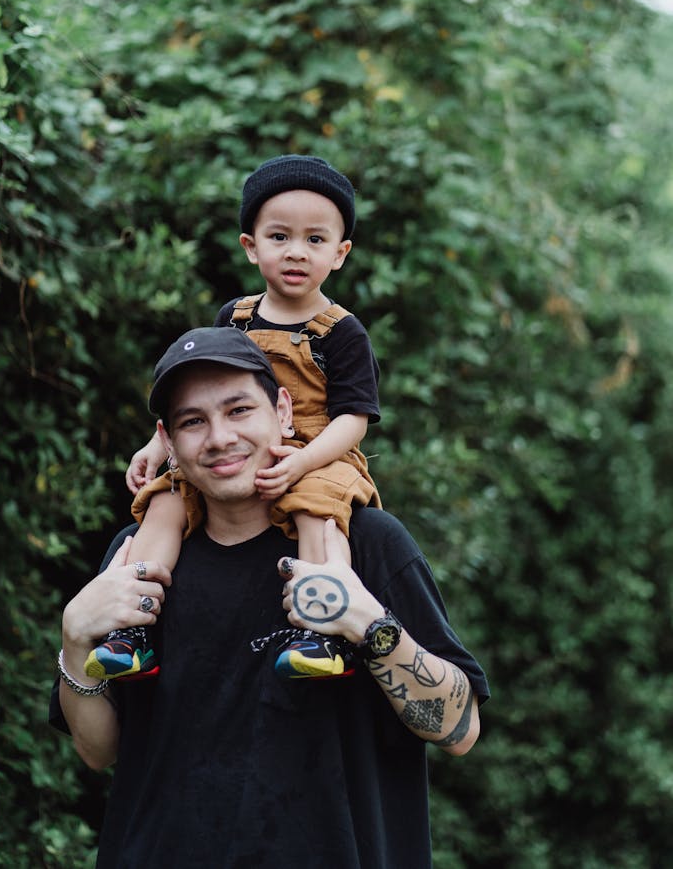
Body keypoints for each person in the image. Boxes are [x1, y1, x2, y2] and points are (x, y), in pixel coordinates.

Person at [50, 327, 489, 869]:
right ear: (168, 439)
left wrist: (371, 625)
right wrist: (75, 642)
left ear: (283, 411)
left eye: (239, 410)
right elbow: (99, 751)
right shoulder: (138, 560)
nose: (218, 438)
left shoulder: (368, 543)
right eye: (193, 421)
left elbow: (460, 728)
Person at [85, 155, 383, 682]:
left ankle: (320, 630)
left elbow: (353, 419)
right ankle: (133, 630)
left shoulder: (341, 332)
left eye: (315, 240)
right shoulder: (236, 318)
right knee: (165, 501)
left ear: (340, 254)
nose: (296, 251)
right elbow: (200, 397)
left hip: (319, 451)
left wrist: (301, 463)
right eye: (279, 236)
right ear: (251, 246)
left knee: (316, 507)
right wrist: (161, 449)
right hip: (239, 446)